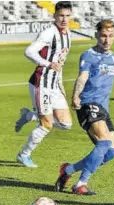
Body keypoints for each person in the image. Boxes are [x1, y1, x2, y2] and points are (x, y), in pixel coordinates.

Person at [55, 20, 114, 195]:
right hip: (88, 104)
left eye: (110, 36)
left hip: (103, 110)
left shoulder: (113, 58)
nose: (107, 40)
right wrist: (76, 95)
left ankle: (67, 170)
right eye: (103, 36)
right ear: (97, 35)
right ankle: (80, 184)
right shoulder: (88, 55)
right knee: (104, 142)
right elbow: (82, 77)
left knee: (111, 152)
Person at [15, 1, 73, 168]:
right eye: (61, 15)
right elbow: (29, 52)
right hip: (41, 83)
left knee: (66, 124)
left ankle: (30, 116)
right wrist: (47, 64)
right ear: (54, 16)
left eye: (67, 16)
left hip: (54, 84)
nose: (64, 19)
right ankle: (24, 155)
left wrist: (60, 82)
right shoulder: (49, 33)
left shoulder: (67, 34)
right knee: (46, 124)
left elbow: (60, 61)